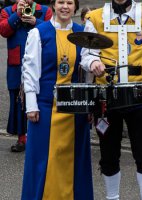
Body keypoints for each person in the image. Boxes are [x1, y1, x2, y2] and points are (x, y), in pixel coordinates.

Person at [81, 0, 142, 199]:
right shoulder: (95, 17)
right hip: (106, 94)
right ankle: (112, 197)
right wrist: (94, 61)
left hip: (139, 93)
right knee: (108, 154)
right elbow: (86, 55)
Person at [21, 0, 93, 199]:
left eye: (70, 3)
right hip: (45, 107)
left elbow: (88, 73)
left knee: (75, 161)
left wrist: (90, 106)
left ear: (75, 7)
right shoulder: (39, 32)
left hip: (75, 108)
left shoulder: (82, 33)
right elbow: (30, 71)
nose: (65, 7)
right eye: (61, 2)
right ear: (53, 5)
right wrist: (31, 105)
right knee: (42, 161)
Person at [0, 0, 52, 152]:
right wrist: (17, 15)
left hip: (41, 62)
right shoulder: (8, 11)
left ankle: (40, 138)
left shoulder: (44, 10)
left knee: (41, 99)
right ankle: (21, 139)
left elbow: (51, 30)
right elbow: (3, 31)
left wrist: (36, 21)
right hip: (16, 64)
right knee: (17, 102)